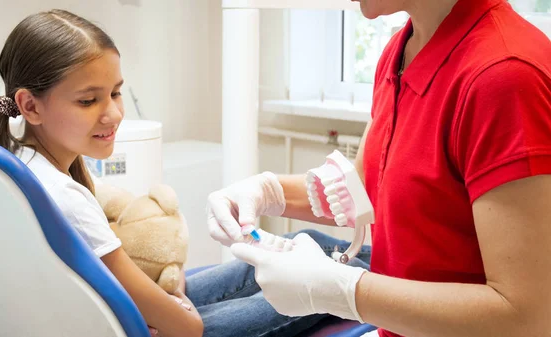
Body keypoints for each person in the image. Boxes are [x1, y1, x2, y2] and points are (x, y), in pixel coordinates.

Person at [0, 9, 344, 337]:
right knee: (323, 284)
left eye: (115, 93)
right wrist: (178, 307)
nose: (112, 113)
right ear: (30, 106)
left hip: (123, 311)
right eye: (88, 100)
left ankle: (370, 270)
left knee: (312, 243)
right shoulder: (66, 198)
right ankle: (376, 281)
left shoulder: (17, 164)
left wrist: (167, 297)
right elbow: (186, 328)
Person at [207, 0, 551, 336]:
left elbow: (526, 318)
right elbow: (368, 185)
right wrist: (269, 192)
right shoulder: (402, 50)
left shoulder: (505, 76)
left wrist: (344, 291)